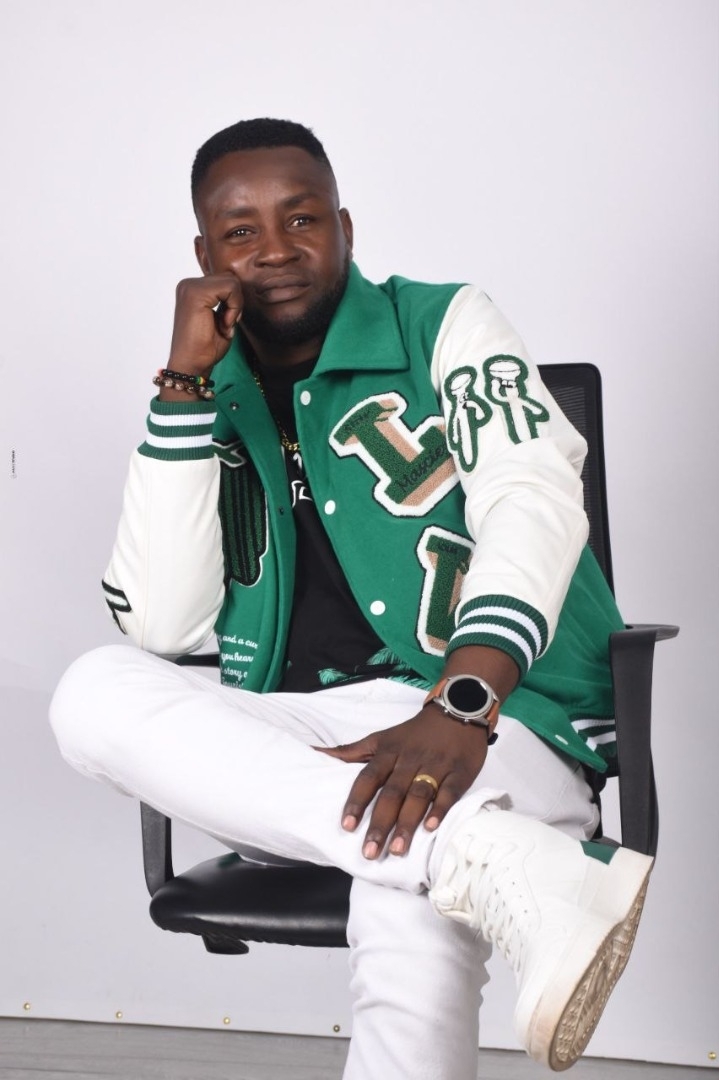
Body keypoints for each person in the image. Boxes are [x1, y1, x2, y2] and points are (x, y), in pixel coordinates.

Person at [50, 118, 653, 1080]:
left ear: (345, 228)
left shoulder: (444, 322)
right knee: (90, 692)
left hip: (504, 720)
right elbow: (164, 623)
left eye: (301, 218)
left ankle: (460, 851)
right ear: (205, 258)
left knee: (398, 891)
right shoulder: (211, 388)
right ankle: (488, 859)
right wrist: (183, 386)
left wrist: (461, 703)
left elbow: (530, 496)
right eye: (240, 231)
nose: (274, 249)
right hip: (311, 744)